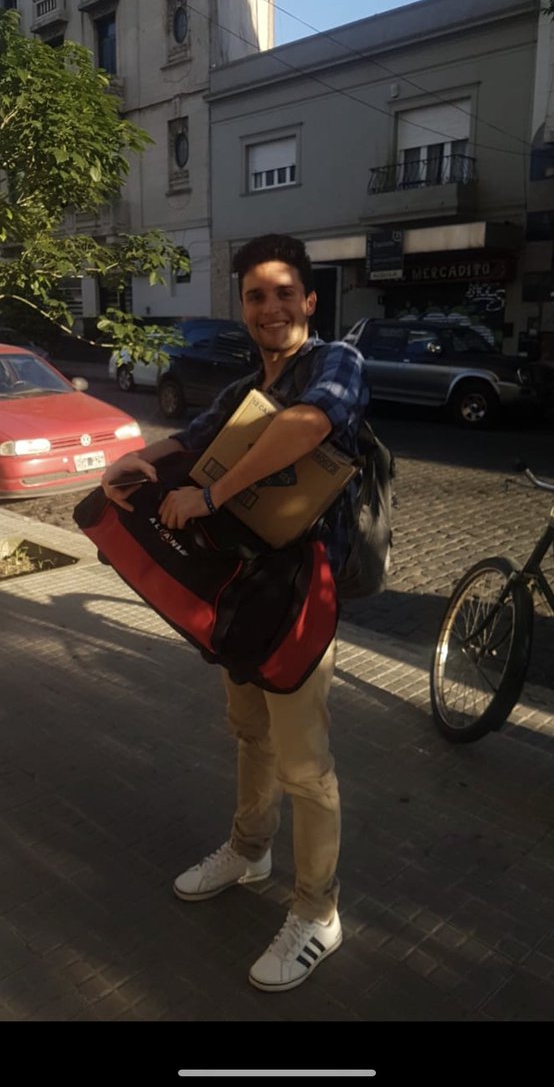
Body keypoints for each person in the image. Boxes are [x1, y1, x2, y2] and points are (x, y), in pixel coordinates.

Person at [101, 233, 368, 992]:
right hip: (244, 586)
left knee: (306, 765)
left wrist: (211, 494)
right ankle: (250, 851)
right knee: (248, 732)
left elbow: (307, 426)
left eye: (285, 292)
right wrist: (142, 462)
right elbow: (195, 437)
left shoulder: (336, 364)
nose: (271, 306)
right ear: (243, 308)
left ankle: (318, 910)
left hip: (304, 595)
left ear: (310, 300)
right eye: (256, 295)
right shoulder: (247, 381)